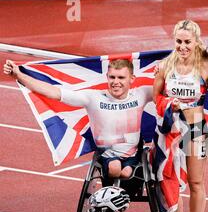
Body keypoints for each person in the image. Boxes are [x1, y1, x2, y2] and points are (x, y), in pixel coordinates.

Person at [3, 58, 152, 180]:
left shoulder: (141, 94)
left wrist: (164, 68)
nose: (115, 82)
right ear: (107, 77)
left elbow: (167, 90)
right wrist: (18, 75)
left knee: (127, 172)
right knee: (115, 168)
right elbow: (54, 92)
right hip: (107, 155)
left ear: (132, 78)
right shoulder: (93, 98)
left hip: (134, 154)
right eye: (112, 77)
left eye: (121, 78)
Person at [153, 19, 208, 212]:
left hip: (196, 128)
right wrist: (169, 103)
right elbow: (156, 96)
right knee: (167, 176)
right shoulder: (165, 65)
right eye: (178, 41)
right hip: (171, 129)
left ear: (197, 41)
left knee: (197, 181)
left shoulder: (206, 65)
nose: (182, 46)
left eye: (188, 41)